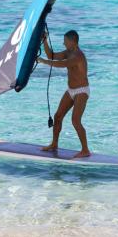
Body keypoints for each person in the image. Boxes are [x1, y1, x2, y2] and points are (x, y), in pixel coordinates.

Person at [36, 30, 91, 158]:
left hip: (81, 91)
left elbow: (62, 64)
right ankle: (54, 144)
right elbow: (52, 55)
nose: (63, 43)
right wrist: (45, 40)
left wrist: (43, 61)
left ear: (73, 42)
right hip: (71, 90)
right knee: (58, 116)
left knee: (75, 121)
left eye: (65, 41)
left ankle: (85, 150)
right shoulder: (69, 52)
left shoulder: (78, 56)